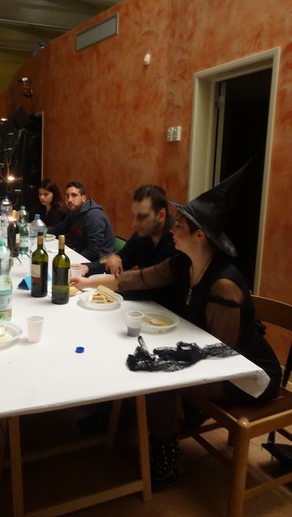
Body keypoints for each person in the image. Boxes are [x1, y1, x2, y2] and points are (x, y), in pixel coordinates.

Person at [72, 163, 282, 489]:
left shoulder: (224, 285)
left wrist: (166, 361)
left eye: (180, 225)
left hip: (249, 372)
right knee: (144, 361)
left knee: (158, 378)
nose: (173, 228)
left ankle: (168, 459)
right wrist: (86, 283)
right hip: (218, 357)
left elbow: (221, 355)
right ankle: (177, 417)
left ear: (199, 236)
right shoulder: (183, 263)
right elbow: (139, 278)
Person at [48, 181, 115, 261]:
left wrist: (73, 260)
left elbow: (94, 251)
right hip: (81, 254)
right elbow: (59, 229)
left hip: (101, 262)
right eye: (67, 196)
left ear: (84, 198)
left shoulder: (94, 216)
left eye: (74, 195)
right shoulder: (76, 212)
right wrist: (40, 230)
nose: (69, 200)